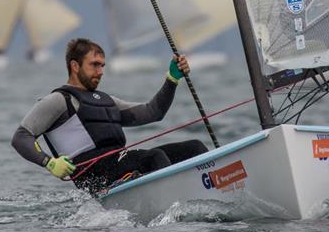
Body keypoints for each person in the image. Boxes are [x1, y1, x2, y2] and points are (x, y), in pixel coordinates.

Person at [12, 37, 208, 193]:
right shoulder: (58, 100)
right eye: (94, 65)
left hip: (119, 164)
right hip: (94, 176)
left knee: (194, 148)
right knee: (154, 158)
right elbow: (21, 137)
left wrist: (172, 79)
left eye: (102, 66)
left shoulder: (107, 101)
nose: (100, 71)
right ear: (75, 66)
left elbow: (153, 112)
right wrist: (49, 163)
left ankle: (211, 193)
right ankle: (173, 207)